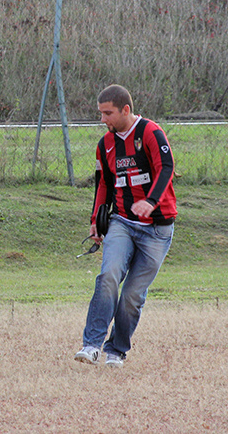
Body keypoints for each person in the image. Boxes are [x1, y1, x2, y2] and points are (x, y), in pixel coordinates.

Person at [75, 84, 176, 368]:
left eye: (108, 113)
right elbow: (104, 183)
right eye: (101, 114)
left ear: (125, 110)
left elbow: (166, 168)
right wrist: (96, 219)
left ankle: (116, 351)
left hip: (157, 228)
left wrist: (151, 201)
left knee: (132, 296)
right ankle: (91, 345)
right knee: (108, 275)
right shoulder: (104, 144)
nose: (103, 119)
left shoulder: (151, 133)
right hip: (122, 222)